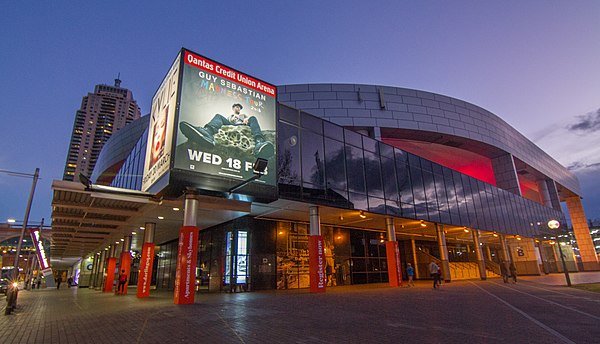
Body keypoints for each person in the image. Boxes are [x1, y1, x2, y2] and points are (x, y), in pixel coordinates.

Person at [180, 103, 274, 159]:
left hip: (242, 125)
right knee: (218, 116)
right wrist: (231, 119)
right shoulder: (230, 116)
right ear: (233, 108)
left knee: (253, 118)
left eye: (239, 107)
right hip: (231, 125)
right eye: (236, 107)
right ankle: (207, 132)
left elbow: (248, 120)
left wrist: (246, 120)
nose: (237, 108)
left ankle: (259, 142)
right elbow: (227, 123)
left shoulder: (243, 116)